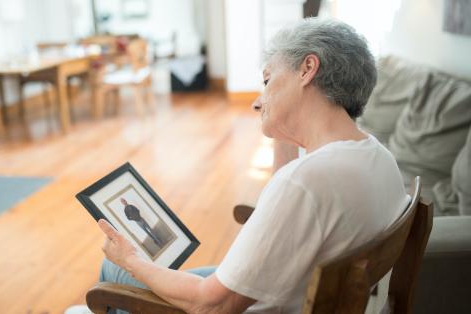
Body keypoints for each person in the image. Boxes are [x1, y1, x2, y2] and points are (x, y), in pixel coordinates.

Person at [92, 18, 410, 313]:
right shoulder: (377, 157)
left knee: (115, 269)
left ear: (307, 68)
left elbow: (212, 305)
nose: (260, 98)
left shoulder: (305, 182)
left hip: (246, 305)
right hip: (295, 293)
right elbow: (293, 205)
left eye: (268, 80)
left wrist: (131, 259)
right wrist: (282, 125)